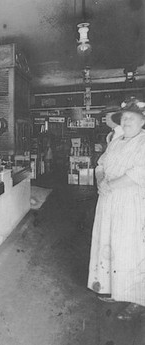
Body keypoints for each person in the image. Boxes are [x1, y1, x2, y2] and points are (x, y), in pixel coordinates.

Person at [87, 97, 145, 321]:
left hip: (130, 203)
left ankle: (138, 300)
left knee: (131, 249)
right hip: (108, 201)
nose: (127, 120)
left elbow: (138, 173)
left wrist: (110, 185)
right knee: (109, 245)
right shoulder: (116, 140)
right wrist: (101, 179)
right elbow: (101, 164)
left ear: (142, 122)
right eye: (125, 117)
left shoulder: (143, 143)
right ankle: (116, 289)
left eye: (133, 117)